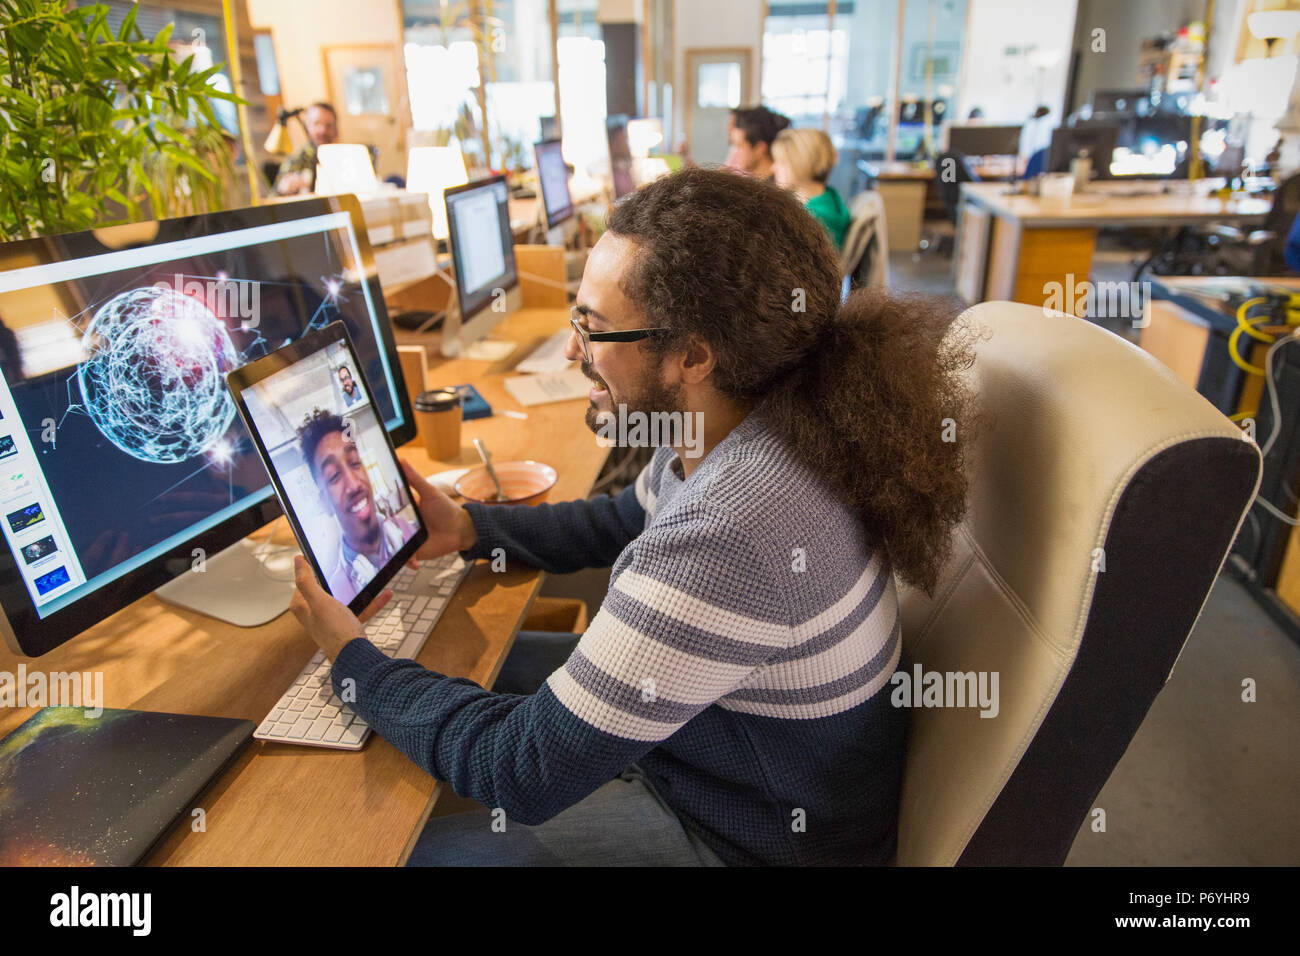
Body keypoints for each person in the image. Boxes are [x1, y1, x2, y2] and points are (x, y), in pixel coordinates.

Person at [288, 167, 981, 866]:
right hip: (727, 755)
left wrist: (354, 663)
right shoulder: (747, 418)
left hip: (747, 837)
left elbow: (516, 771)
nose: (571, 351)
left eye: (592, 329)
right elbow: (625, 517)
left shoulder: (736, 526)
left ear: (692, 356)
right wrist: (472, 529)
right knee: (472, 663)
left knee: (409, 854)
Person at [297, 408, 414, 604]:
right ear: (324, 502)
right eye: (334, 475)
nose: (353, 485)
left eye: (354, 462)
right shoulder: (336, 595)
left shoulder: (404, 529)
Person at [772, 127, 852, 251]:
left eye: (781, 163)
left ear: (800, 165)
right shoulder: (829, 198)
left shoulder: (817, 219)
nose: (773, 168)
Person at [274, 102, 339, 196]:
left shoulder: (343, 157)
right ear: (308, 126)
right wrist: (282, 189)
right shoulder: (298, 160)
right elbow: (273, 196)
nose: (322, 130)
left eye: (328, 125)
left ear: (336, 129)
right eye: (317, 123)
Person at [724, 105, 791, 181]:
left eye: (739, 146)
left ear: (759, 149)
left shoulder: (774, 188)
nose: (734, 154)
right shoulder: (758, 184)